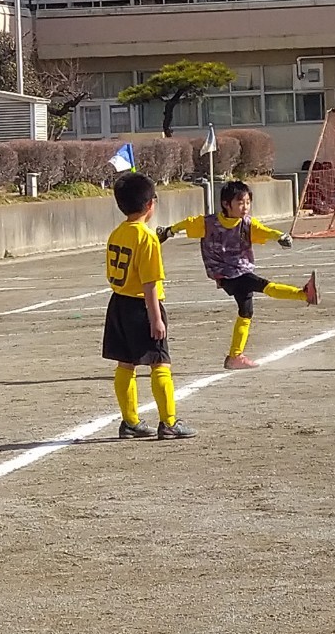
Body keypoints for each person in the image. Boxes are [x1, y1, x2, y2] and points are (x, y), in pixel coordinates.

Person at [159, 179, 319, 370]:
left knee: (246, 311)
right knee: (263, 285)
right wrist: (168, 231)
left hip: (242, 270)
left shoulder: (246, 224)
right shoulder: (209, 223)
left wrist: (280, 236)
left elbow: (264, 231)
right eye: (240, 203)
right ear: (226, 204)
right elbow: (187, 223)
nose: (245, 207)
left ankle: (235, 357)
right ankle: (303, 294)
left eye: (248, 202)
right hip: (225, 274)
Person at [103, 172, 196, 440]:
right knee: (160, 363)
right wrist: (156, 319)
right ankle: (169, 422)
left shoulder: (117, 232)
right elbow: (150, 283)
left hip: (118, 304)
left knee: (125, 364)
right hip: (142, 306)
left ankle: (130, 421)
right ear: (149, 205)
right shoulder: (147, 237)